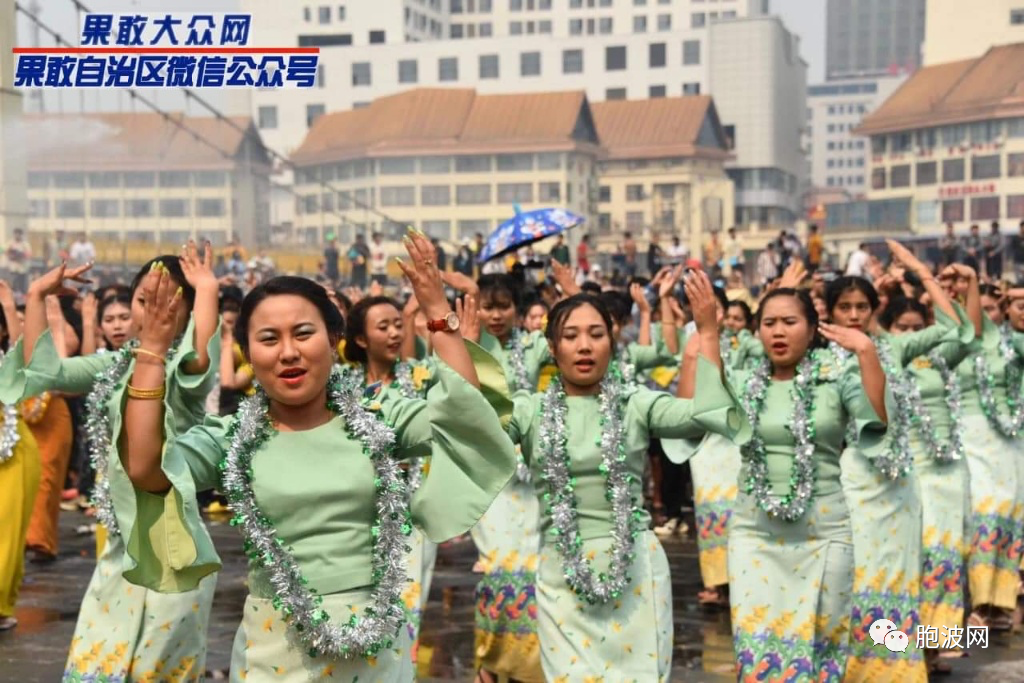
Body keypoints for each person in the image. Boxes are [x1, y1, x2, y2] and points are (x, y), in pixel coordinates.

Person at [114, 232, 516, 680]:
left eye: (303, 333)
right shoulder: (231, 438)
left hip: (376, 644)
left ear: (335, 339)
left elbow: (465, 424)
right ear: (248, 353)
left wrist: (440, 317)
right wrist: (151, 355)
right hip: (275, 649)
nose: (288, 352)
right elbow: (147, 469)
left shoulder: (379, 416)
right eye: (269, 339)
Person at [502, 277, 746, 681]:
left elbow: (706, 414)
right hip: (561, 574)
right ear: (552, 347)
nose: (584, 346)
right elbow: (472, 426)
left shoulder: (635, 403)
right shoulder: (528, 411)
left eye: (596, 334)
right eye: (571, 336)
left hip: (635, 571)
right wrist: (444, 326)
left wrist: (707, 334)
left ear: (612, 343)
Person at [0, 244, 220, 680]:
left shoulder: (182, 369)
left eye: (170, 301)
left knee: (157, 667)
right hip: (119, 543)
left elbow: (201, 355)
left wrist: (209, 287)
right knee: (98, 656)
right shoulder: (114, 365)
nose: (153, 310)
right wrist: (39, 296)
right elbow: (45, 375)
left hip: (174, 543)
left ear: (190, 313)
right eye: (144, 300)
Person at [685, 284, 890, 680]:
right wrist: (707, 331)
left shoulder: (837, 377)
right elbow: (703, 404)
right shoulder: (744, 382)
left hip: (825, 533)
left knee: (824, 643)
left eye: (789, 322)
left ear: (812, 329)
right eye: (769, 323)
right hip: (754, 535)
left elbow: (875, 420)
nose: (778, 332)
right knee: (758, 643)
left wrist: (865, 351)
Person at [828, 241, 968, 683]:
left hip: (900, 486)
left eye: (861, 306)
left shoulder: (894, 351)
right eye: (844, 307)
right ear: (829, 313)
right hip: (850, 485)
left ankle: (896, 668)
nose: (853, 315)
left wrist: (917, 272)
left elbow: (956, 329)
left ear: (874, 310)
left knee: (896, 579)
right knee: (857, 578)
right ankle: (853, 669)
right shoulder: (815, 361)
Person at [877, 290, 972, 675]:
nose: (910, 335)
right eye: (903, 328)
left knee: (945, 558)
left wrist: (928, 277)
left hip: (946, 473)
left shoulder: (940, 360)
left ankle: (937, 646)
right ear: (889, 329)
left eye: (918, 328)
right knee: (916, 560)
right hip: (907, 476)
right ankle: (902, 647)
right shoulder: (885, 359)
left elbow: (964, 332)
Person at [957, 277, 1024, 631]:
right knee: (978, 517)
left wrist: (1017, 296)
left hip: (1007, 442)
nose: (983, 315)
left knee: (1002, 518)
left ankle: (1000, 603)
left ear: (1002, 311)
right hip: (967, 440)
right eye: (976, 309)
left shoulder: (1013, 346)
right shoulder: (956, 342)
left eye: (991, 309)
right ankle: (977, 603)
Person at [0, 286, 40, 631]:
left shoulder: (8, 364)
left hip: (12, 452)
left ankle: (0, 603)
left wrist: (12, 308)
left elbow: (24, 354)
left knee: (8, 530)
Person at [6, 228, 31, 294]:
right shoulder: (10, 243)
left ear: (21, 235)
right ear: (14, 234)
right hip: (13, 268)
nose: (17, 235)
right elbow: (7, 253)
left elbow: (28, 254)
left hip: (22, 268)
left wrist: (20, 255)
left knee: (22, 287)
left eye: (19, 234)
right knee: (13, 286)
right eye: (16, 233)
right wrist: (13, 255)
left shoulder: (25, 244)